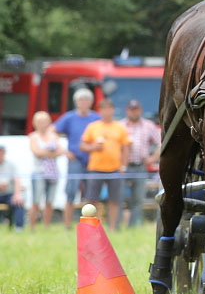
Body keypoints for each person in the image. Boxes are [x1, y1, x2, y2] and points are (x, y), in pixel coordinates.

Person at [80, 99, 131, 230]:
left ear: (113, 110)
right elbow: (82, 145)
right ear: (100, 111)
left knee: (115, 201)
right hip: (95, 168)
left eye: (109, 109)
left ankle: (112, 228)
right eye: (104, 109)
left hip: (115, 169)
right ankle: (90, 227)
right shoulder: (93, 126)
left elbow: (126, 147)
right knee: (91, 200)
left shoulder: (120, 127)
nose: (107, 111)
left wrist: (123, 166)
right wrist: (93, 147)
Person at [54, 88, 100, 229]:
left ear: (91, 102)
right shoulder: (69, 117)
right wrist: (64, 151)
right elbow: (52, 131)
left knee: (91, 194)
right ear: (76, 102)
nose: (84, 103)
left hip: (93, 160)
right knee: (71, 192)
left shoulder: (96, 118)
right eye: (81, 100)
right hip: (75, 160)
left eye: (87, 100)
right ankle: (67, 225)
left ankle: (90, 225)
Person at [121, 99, 160, 227]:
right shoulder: (120, 125)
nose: (134, 112)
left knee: (138, 199)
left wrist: (153, 158)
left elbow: (161, 142)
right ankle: (117, 225)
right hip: (122, 167)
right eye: (132, 110)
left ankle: (134, 225)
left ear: (140, 110)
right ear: (127, 111)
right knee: (120, 197)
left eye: (136, 109)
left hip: (140, 166)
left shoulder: (148, 125)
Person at [28, 111, 65, 228]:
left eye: (45, 121)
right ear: (35, 123)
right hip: (39, 172)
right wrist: (51, 152)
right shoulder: (33, 136)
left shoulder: (53, 136)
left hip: (53, 172)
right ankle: (32, 227)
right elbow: (37, 153)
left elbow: (60, 151)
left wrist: (45, 152)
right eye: (40, 122)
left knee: (49, 202)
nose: (43, 124)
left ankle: (46, 227)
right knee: (36, 202)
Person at [0, 144, 25, 231]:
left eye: (1, 151)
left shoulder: (11, 165)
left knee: (19, 201)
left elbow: (17, 180)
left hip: (8, 194)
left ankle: (19, 227)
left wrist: (17, 194)